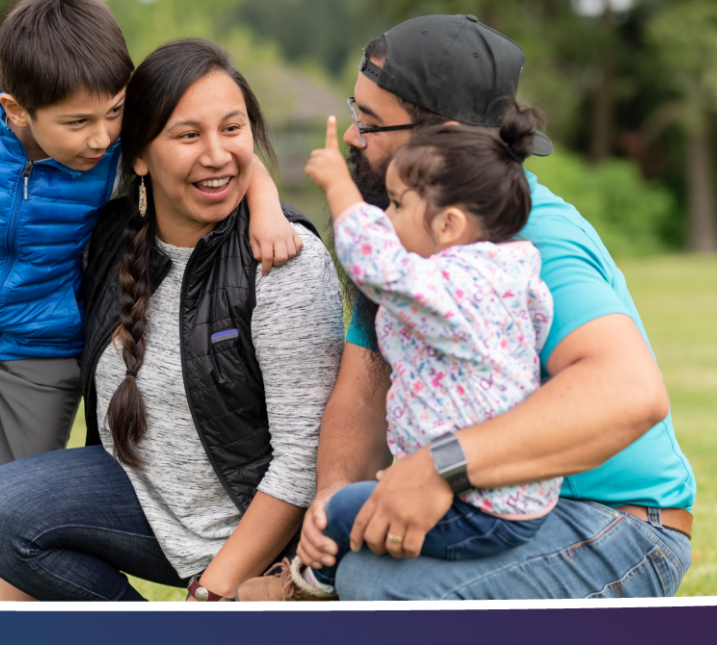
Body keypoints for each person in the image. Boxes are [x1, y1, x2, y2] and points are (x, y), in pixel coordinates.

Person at [0, 0, 301, 602]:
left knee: (12, 515)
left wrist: (268, 210)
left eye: (115, 111)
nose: (100, 137)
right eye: (78, 122)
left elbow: (223, 150)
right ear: (17, 110)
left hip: (43, 342)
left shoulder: (115, 149)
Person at [288, 14, 696, 600]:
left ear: (443, 138)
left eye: (370, 123)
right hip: (491, 508)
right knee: (352, 559)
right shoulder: (405, 234)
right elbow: (361, 392)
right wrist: (332, 508)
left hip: (617, 525)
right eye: (355, 115)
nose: (353, 138)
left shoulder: (535, 234)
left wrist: (442, 467)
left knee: (377, 583)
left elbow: (632, 392)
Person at [0, 38, 345, 602]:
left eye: (232, 129)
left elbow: (301, 462)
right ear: (139, 154)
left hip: (255, 532)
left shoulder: (281, 260)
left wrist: (211, 593)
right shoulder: (109, 235)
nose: (216, 154)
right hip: (145, 504)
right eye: (187, 135)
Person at [239, 106, 562, 601]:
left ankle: (309, 589)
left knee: (338, 513)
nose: (385, 217)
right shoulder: (506, 272)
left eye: (395, 204)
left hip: (481, 507)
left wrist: (339, 187)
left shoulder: (458, 285)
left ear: (450, 225)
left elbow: (379, 265)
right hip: (507, 496)